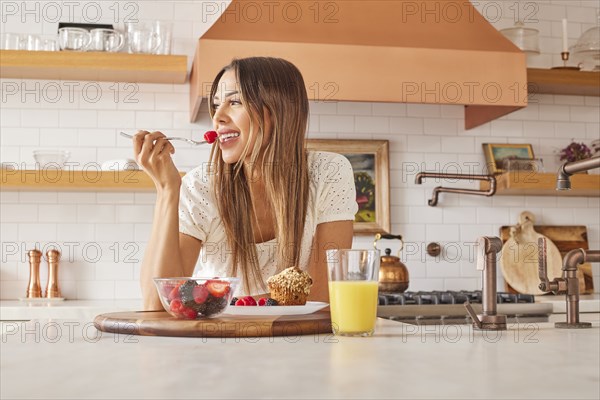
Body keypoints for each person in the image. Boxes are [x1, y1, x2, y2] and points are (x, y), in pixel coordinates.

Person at [133, 57, 358, 311]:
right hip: (219, 345)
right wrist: (167, 190)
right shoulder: (201, 186)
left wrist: (243, 306)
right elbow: (157, 304)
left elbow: (321, 301)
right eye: (216, 105)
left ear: (278, 110)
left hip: (301, 344)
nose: (217, 117)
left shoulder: (328, 172)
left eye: (235, 102)